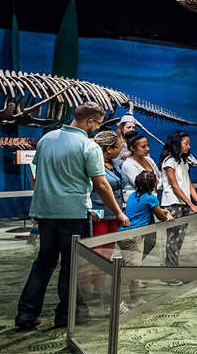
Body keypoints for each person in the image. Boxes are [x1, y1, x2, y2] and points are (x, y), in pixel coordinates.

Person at [15, 103, 129, 331]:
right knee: (72, 265)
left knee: (44, 262)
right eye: (98, 124)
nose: (98, 128)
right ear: (90, 121)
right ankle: (66, 315)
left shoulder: (46, 139)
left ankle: (26, 314)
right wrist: (118, 212)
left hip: (46, 212)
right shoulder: (89, 146)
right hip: (74, 214)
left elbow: (35, 172)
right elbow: (101, 184)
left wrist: (39, 203)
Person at [116, 171, 173, 312]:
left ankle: (135, 299)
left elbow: (149, 209)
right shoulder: (151, 198)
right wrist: (168, 217)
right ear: (153, 185)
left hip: (123, 235)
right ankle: (119, 304)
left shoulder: (133, 196)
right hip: (134, 238)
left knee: (133, 268)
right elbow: (161, 217)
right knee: (130, 272)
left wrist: (162, 211)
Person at [160, 130, 197, 274]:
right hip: (173, 203)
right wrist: (191, 204)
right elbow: (175, 186)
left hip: (183, 204)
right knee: (173, 239)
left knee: (179, 239)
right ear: (177, 143)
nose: (188, 146)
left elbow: (188, 184)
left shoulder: (182, 161)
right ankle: (170, 272)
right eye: (186, 143)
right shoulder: (169, 161)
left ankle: (173, 270)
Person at [121, 131, 161, 261]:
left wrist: (155, 183)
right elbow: (139, 184)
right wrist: (154, 183)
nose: (147, 149)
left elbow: (160, 179)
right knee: (135, 241)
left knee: (150, 241)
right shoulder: (128, 164)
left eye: (147, 145)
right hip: (138, 206)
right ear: (132, 148)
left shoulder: (149, 160)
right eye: (143, 146)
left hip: (149, 206)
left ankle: (136, 266)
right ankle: (131, 266)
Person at [89, 131, 126, 258]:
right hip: (98, 215)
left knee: (108, 252)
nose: (120, 150)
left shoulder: (115, 163)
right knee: (95, 252)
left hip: (114, 214)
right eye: (118, 147)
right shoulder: (93, 165)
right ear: (108, 149)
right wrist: (89, 211)